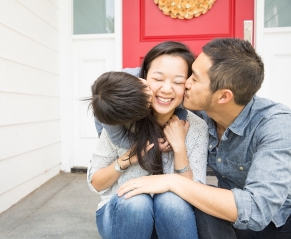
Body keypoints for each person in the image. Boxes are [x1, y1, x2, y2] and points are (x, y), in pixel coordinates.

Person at [117, 38, 291, 239]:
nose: (185, 83)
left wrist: (175, 181)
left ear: (223, 97)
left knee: (188, 195)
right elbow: (111, 88)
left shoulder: (276, 126)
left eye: (194, 79)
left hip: (277, 223)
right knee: (180, 208)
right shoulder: (200, 110)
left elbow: (257, 210)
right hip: (229, 216)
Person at [86, 41, 209, 239]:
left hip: (172, 220)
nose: (167, 89)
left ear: (187, 84)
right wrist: (129, 158)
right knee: (137, 201)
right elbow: (96, 183)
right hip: (123, 215)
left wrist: (179, 148)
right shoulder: (123, 118)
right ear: (144, 79)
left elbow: (195, 193)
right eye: (158, 79)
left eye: (177, 82)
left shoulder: (195, 126)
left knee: (172, 200)